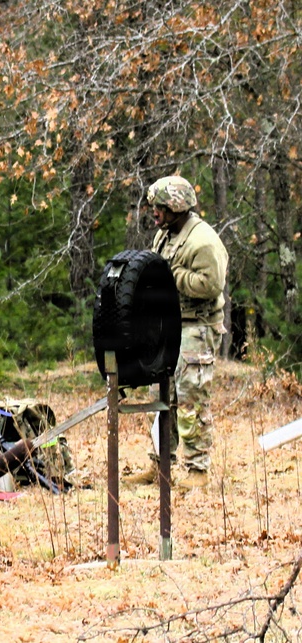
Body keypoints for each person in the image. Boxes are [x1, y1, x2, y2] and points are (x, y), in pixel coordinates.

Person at [124, 175, 228, 489]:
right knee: (162, 398)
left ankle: (197, 473)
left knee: (191, 400)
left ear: (176, 207)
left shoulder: (203, 241)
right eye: (152, 206)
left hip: (197, 328)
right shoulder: (165, 235)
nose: (153, 211)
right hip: (167, 328)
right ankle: (159, 467)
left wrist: (173, 276)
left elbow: (211, 285)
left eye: (159, 206)